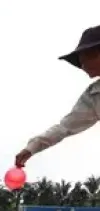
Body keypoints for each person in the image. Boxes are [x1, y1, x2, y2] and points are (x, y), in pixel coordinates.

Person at [15, 25, 100, 168]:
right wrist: (33, 147)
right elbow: (65, 127)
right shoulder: (94, 95)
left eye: (85, 56)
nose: (82, 64)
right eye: (79, 60)